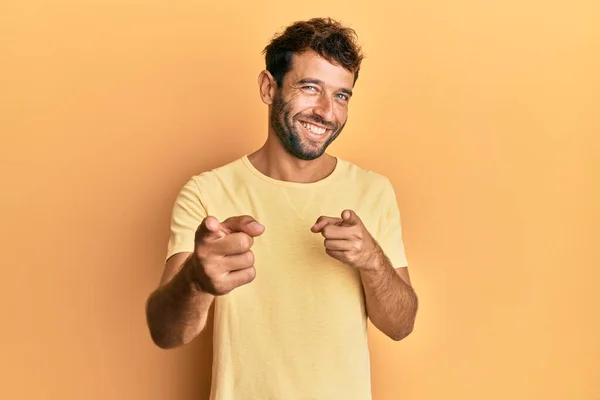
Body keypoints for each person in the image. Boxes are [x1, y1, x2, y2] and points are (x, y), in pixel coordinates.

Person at [145, 17, 418, 400]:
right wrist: (195, 278)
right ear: (268, 87)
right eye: (310, 88)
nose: (327, 112)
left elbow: (401, 325)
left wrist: (373, 259)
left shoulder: (373, 191)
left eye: (341, 95)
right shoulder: (207, 192)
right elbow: (166, 332)